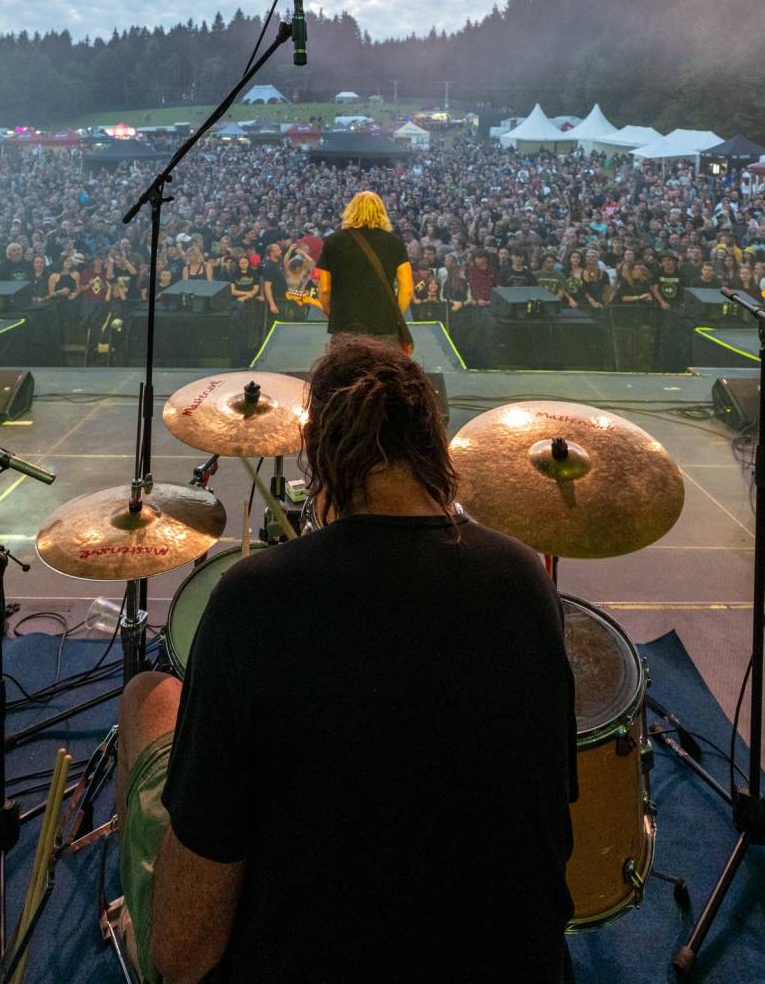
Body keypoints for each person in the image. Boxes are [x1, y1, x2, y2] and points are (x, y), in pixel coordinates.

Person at [113, 336, 577, 983]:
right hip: (515, 966)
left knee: (148, 697)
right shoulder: (526, 581)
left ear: (324, 466)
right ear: (436, 454)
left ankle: (128, 925)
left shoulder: (254, 598)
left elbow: (188, 954)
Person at [313, 191, 414, 344]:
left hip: (345, 325)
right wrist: (394, 316)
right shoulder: (395, 243)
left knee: (344, 368)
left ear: (350, 210)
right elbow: (406, 289)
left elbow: (325, 288)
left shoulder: (333, 242)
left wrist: (332, 313)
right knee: (383, 367)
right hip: (384, 326)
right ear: (381, 211)